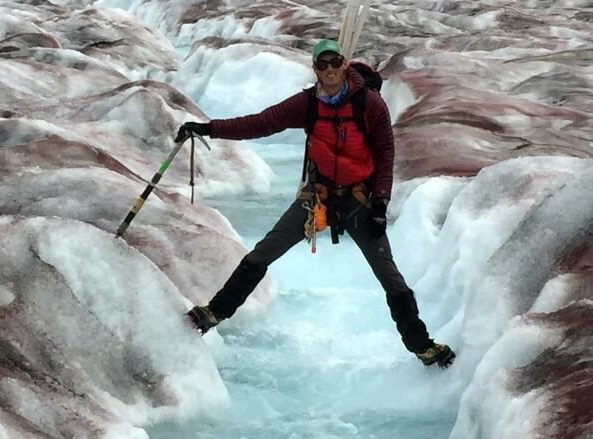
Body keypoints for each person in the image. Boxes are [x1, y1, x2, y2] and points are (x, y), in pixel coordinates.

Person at [175, 39, 455, 368]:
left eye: (334, 61)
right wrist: (209, 129)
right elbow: (261, 123)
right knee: (263, 253)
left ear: (344, 63)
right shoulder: (308, 104)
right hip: (318, 197)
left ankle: (422, 346)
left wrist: (380, 204)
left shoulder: (370, 105)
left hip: (358, 200)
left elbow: (384, 155)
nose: (330, 69)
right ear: (315, 68)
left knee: (389, 276)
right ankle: (213, 313)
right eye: (322, 64)